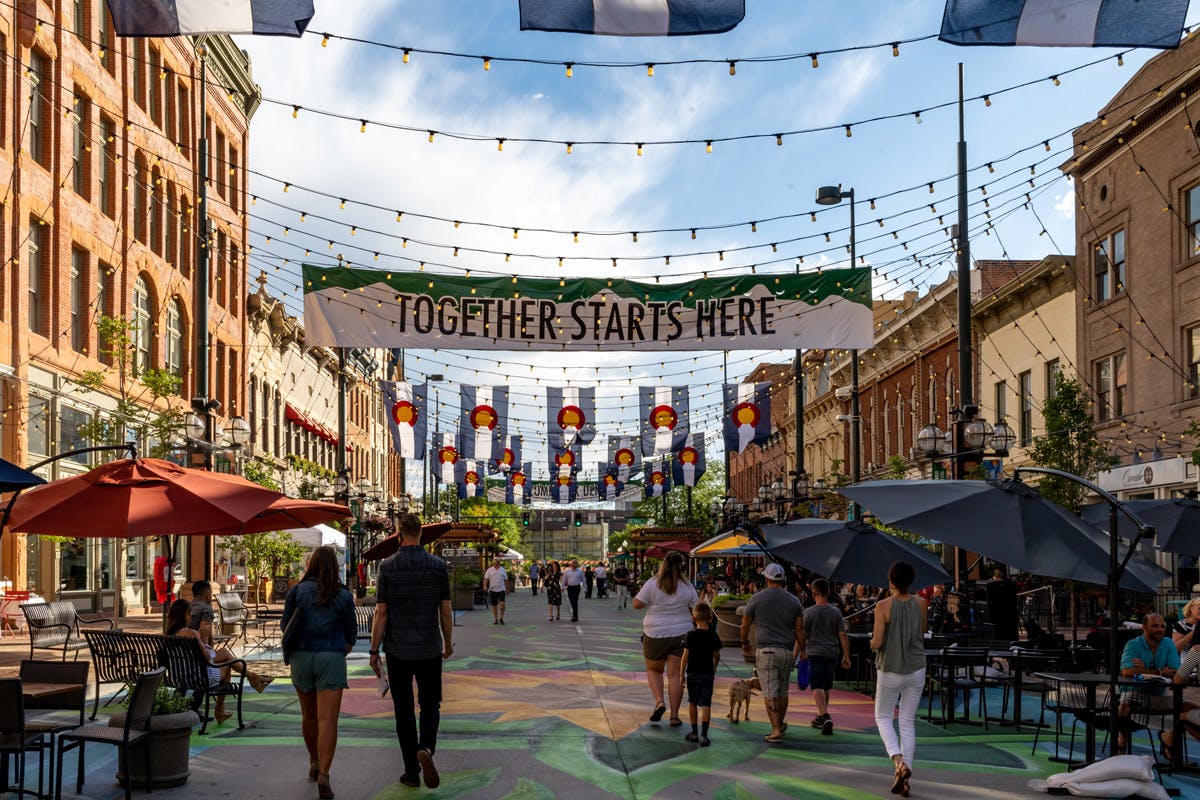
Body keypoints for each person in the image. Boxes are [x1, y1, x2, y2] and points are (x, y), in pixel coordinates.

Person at [370, 513, 453, 791]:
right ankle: (426, 748)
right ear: (421, 533)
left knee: (403, 710)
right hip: (429, 647)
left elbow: (381, 613)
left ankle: (410, 771)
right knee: (431, 704)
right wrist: (448, 642)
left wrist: (373, 650)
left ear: (398, 533)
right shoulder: (437, 566)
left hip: (397, 649)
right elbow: (445, 610)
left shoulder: (387, 567)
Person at [282, 545, 358, 799]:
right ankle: (324, 773)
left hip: (301, 658)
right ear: (335, 568)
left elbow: (286, 626)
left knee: (309, 715)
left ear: (310, 565)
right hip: (331, 656)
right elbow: (351, 634)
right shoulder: (342, 595)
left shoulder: (296, 591)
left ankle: (314, 760)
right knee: (328, 719)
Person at [870, 561, 928, 798]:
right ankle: (907, 770)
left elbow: (877, 642)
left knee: (883, 717)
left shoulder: (882, 606)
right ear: (911, 580)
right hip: (916, 668)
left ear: (891, 581)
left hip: (890, 669)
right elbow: (921, 631)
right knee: (907, 721)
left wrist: (870, 643)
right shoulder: (922, 603)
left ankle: (898, 762)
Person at [165, 599, 273, 725]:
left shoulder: (168, 635)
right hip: (200, 678)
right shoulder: (191, 633)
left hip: (179, 677)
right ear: (185, 615)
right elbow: (208, 657)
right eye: (191, 615)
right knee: (228, 665)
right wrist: (204, 638)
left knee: (224, 653)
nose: (192, 617)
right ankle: (222, 708)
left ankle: (252, 679)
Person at [633, 551, 699, 726]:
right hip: (682, 633)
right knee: (676, 675)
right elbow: (696, 610)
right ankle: (675, 716)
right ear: (682, 566)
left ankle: (659, 702)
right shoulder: (687, 587)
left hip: (654, 633)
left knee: (654, 670)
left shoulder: (653, 583)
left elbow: (637, 604)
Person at [741, 562, 804, 743]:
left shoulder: (757, 598)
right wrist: (803, 651)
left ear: (767, 578)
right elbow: (799, 630)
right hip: (786, 651)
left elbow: (745, 623)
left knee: (769, 691)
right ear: (783, 579)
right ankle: (781, 723)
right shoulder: (794, 601)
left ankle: (775, 729)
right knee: (783, 691)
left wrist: (745, 642)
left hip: (766, 650)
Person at [1117, 613, 1180, 753]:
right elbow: (1127, 672)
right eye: (1155, 626)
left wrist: (1142, 670)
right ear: (1144, 628)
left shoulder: (1168, 643)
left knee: (1186, 707)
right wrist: (1160, 672)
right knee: (1125, 705)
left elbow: (1176, 671)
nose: (1160, 629)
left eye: (1162, 626)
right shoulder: (1133, 644)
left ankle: (1169, 737)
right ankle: (1121, 741)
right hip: (1135, 691)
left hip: (1158, 695)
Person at [802, 578, 851, 736]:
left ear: (813, 592)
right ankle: (821, 716)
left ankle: (824, 716)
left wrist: (797, 653)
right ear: (828, 592)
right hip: (831, 653)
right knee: (826, 686)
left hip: (814, 652)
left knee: (816, 685)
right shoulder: (835, 612)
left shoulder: (808, 612)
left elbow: (802, 636)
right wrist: (846, 655)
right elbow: (842, 635)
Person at [680, 601, 721, 746]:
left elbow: (685, 656)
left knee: (692, 701)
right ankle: (704, 735)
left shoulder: (690, 636)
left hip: (693, 673)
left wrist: (681, 674)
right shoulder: (714, 636)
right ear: (710, 619)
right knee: (706, 704)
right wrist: (714, 667)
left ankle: (694, 732)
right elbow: (717, 655)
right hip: (708, 674)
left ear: (693, 618)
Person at [188, 579, 217, 646]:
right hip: (195, 649)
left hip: (180, 649)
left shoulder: (186, 607)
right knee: (225, 652)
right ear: (207, 593)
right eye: (211, 592)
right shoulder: (206, 609)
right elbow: (204, 635)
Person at [483, 557, 508, 625]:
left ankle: (501, 618)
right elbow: (485, 578)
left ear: (499, 563)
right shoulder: (490, 570)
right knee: (494, 605)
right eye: (495, 562)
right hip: (493, 589)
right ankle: (496, 619)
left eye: (497, 562)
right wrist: (485, 586)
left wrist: (507, 589)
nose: (496, 563)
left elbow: (506, 580)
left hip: (501, 589)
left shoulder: (502, 570)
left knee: (502, 604)